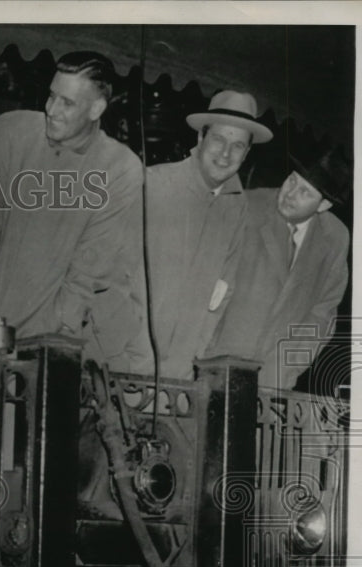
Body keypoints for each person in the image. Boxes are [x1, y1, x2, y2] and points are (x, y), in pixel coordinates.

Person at [0, 51, 150, 373]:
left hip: (49, 342)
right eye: (51, 96)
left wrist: (53, 337)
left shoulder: (121, 169)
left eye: (67, 103)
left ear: (96, 109)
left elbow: (89, 271)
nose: (51, 110)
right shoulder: (11, 131)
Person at [146, 90, 273, 379]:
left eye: (238, 145)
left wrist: (197, 352)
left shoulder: (236, 207)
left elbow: (223, 289)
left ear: (247, 153)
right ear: (200, 138)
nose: (226, 154)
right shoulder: (154, 184)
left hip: (180, 372)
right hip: (123, 362)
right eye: (218, 139)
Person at [206, 148, 350, 389]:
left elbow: (323, 312)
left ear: (323, 205)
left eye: (304, 192)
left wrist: (285, 368)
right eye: (292, 180)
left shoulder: (335, 238)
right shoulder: (245, 206)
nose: (291, 194)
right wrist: (206, 356)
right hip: (214, 365)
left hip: (275, 379)